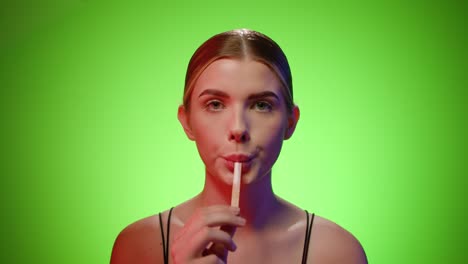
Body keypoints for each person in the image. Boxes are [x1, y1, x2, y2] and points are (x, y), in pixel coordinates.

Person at [110, 29, 367, 264]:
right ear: (187, 121)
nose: (238, 129)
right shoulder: (138, 246)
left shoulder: (337, 252)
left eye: (262, 105)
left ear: (290, 122)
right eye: (215, 104)